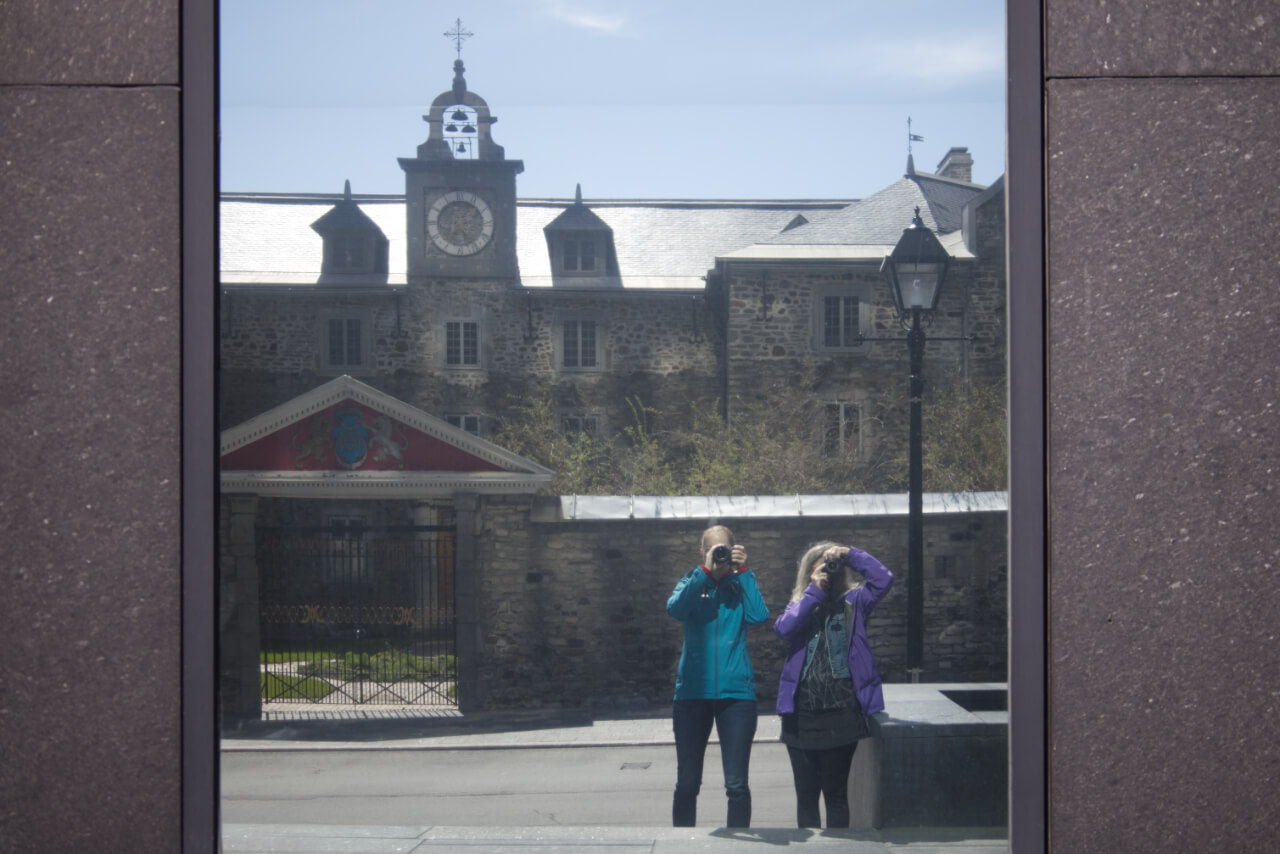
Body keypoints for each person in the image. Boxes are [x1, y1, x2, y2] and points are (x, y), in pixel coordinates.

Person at [773, 540, 893, 829]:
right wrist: (814, 591)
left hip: (841, 713)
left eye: (832, 565)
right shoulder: (801, 604)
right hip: (800, 715)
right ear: (809, 572)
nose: (829, 570)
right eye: (822, 565)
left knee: (836, 796)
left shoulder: (855, 602)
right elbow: (784, 629)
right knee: (806, 797)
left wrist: (849, 554)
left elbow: (883, 579)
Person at [666, 524, 770, 828]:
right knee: (687, 783)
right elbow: (675, 609)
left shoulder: (740, 585)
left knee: (737, 785)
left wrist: (745, 571)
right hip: (691, 696)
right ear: (703, 552)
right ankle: (681, 845)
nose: (720, 555)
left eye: (725, 549)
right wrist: (705, 573)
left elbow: (759, 616)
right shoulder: (692, 581)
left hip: (736, 696)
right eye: (714, 550)